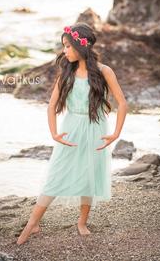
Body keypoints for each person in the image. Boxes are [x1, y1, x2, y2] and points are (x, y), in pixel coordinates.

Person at [17, 22, 128, 245]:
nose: (64, 51)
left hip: (96, 128)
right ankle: (33, 222)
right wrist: (54, 134)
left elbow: (122, 103)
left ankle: (82, 221)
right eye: (63, 47)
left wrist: (116, 133)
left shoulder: (104, 71)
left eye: (68, 46)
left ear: (81, 46)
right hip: (70, 128)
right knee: (56, 174)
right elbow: (51, 106)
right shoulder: (66, 74)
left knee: (89, 174)